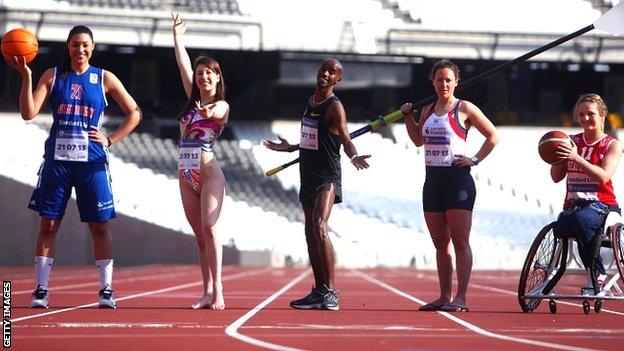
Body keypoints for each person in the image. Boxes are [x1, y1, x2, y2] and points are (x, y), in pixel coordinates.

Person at [5, 25, 142, 309]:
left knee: (99, 226)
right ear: (67, 47)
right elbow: (28, 113)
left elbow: (135, 113)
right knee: (48, 224)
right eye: (75, 44)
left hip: (91, 163)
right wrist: (27, 77)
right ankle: (41, 289)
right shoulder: (52, 75)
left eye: (85, 45)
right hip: (57, 162)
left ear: (92, 47)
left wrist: (110, 139)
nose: (80, 49)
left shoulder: (104, 77)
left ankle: (106, 289)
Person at [263, 58, 370, 310]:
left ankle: (331, 292)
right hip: (307, 174)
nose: (325, 73)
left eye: (332, 72)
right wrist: (290, 148)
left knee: (320, 226)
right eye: (323, 69)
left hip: (327, 176)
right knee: (310, 231)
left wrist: (354, 156)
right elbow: (312, 140)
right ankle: (319, 290)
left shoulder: (335, 106)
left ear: (337, 80)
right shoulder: (311, 103)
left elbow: (344, 137)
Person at [400, 59, 498, 312]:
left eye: (448, 80)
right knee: (440, 245)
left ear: (456, 82)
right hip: (432, 180)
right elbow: (418, 141)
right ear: (432, 82)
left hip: (457, 180)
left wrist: (474, 159)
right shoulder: (428, 110)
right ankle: (444, 296)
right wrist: (408, 117)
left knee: (460, 242)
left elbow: (493, 136)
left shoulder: (464, 108)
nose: (443, 84)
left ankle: (461, 298)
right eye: (439, 79)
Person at [172, 13, 229, 310]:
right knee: (199, 236)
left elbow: (218, 111)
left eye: (209, 73)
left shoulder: (221, 104)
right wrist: (178, 38)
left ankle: (218, 289)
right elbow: (183, 64)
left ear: (217, 77)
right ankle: (206, 291)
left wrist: (207, 113)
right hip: (185, 172)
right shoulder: (190, 99)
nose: (203, 77)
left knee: (210, 226)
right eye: (199, 73)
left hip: (209, 172)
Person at [551, 93, 621, 286]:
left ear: (602, 116)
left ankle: (596, 270)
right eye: (581, 114)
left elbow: (604, 176)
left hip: (602, 206)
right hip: (574, 205)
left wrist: (577, 158)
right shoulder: (570, 141)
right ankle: (556, 275)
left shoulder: (611, 145)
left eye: (590, 114)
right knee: (562, 225)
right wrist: (556, 156)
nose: (585, 118)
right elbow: (556, 177)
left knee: (581, 220)